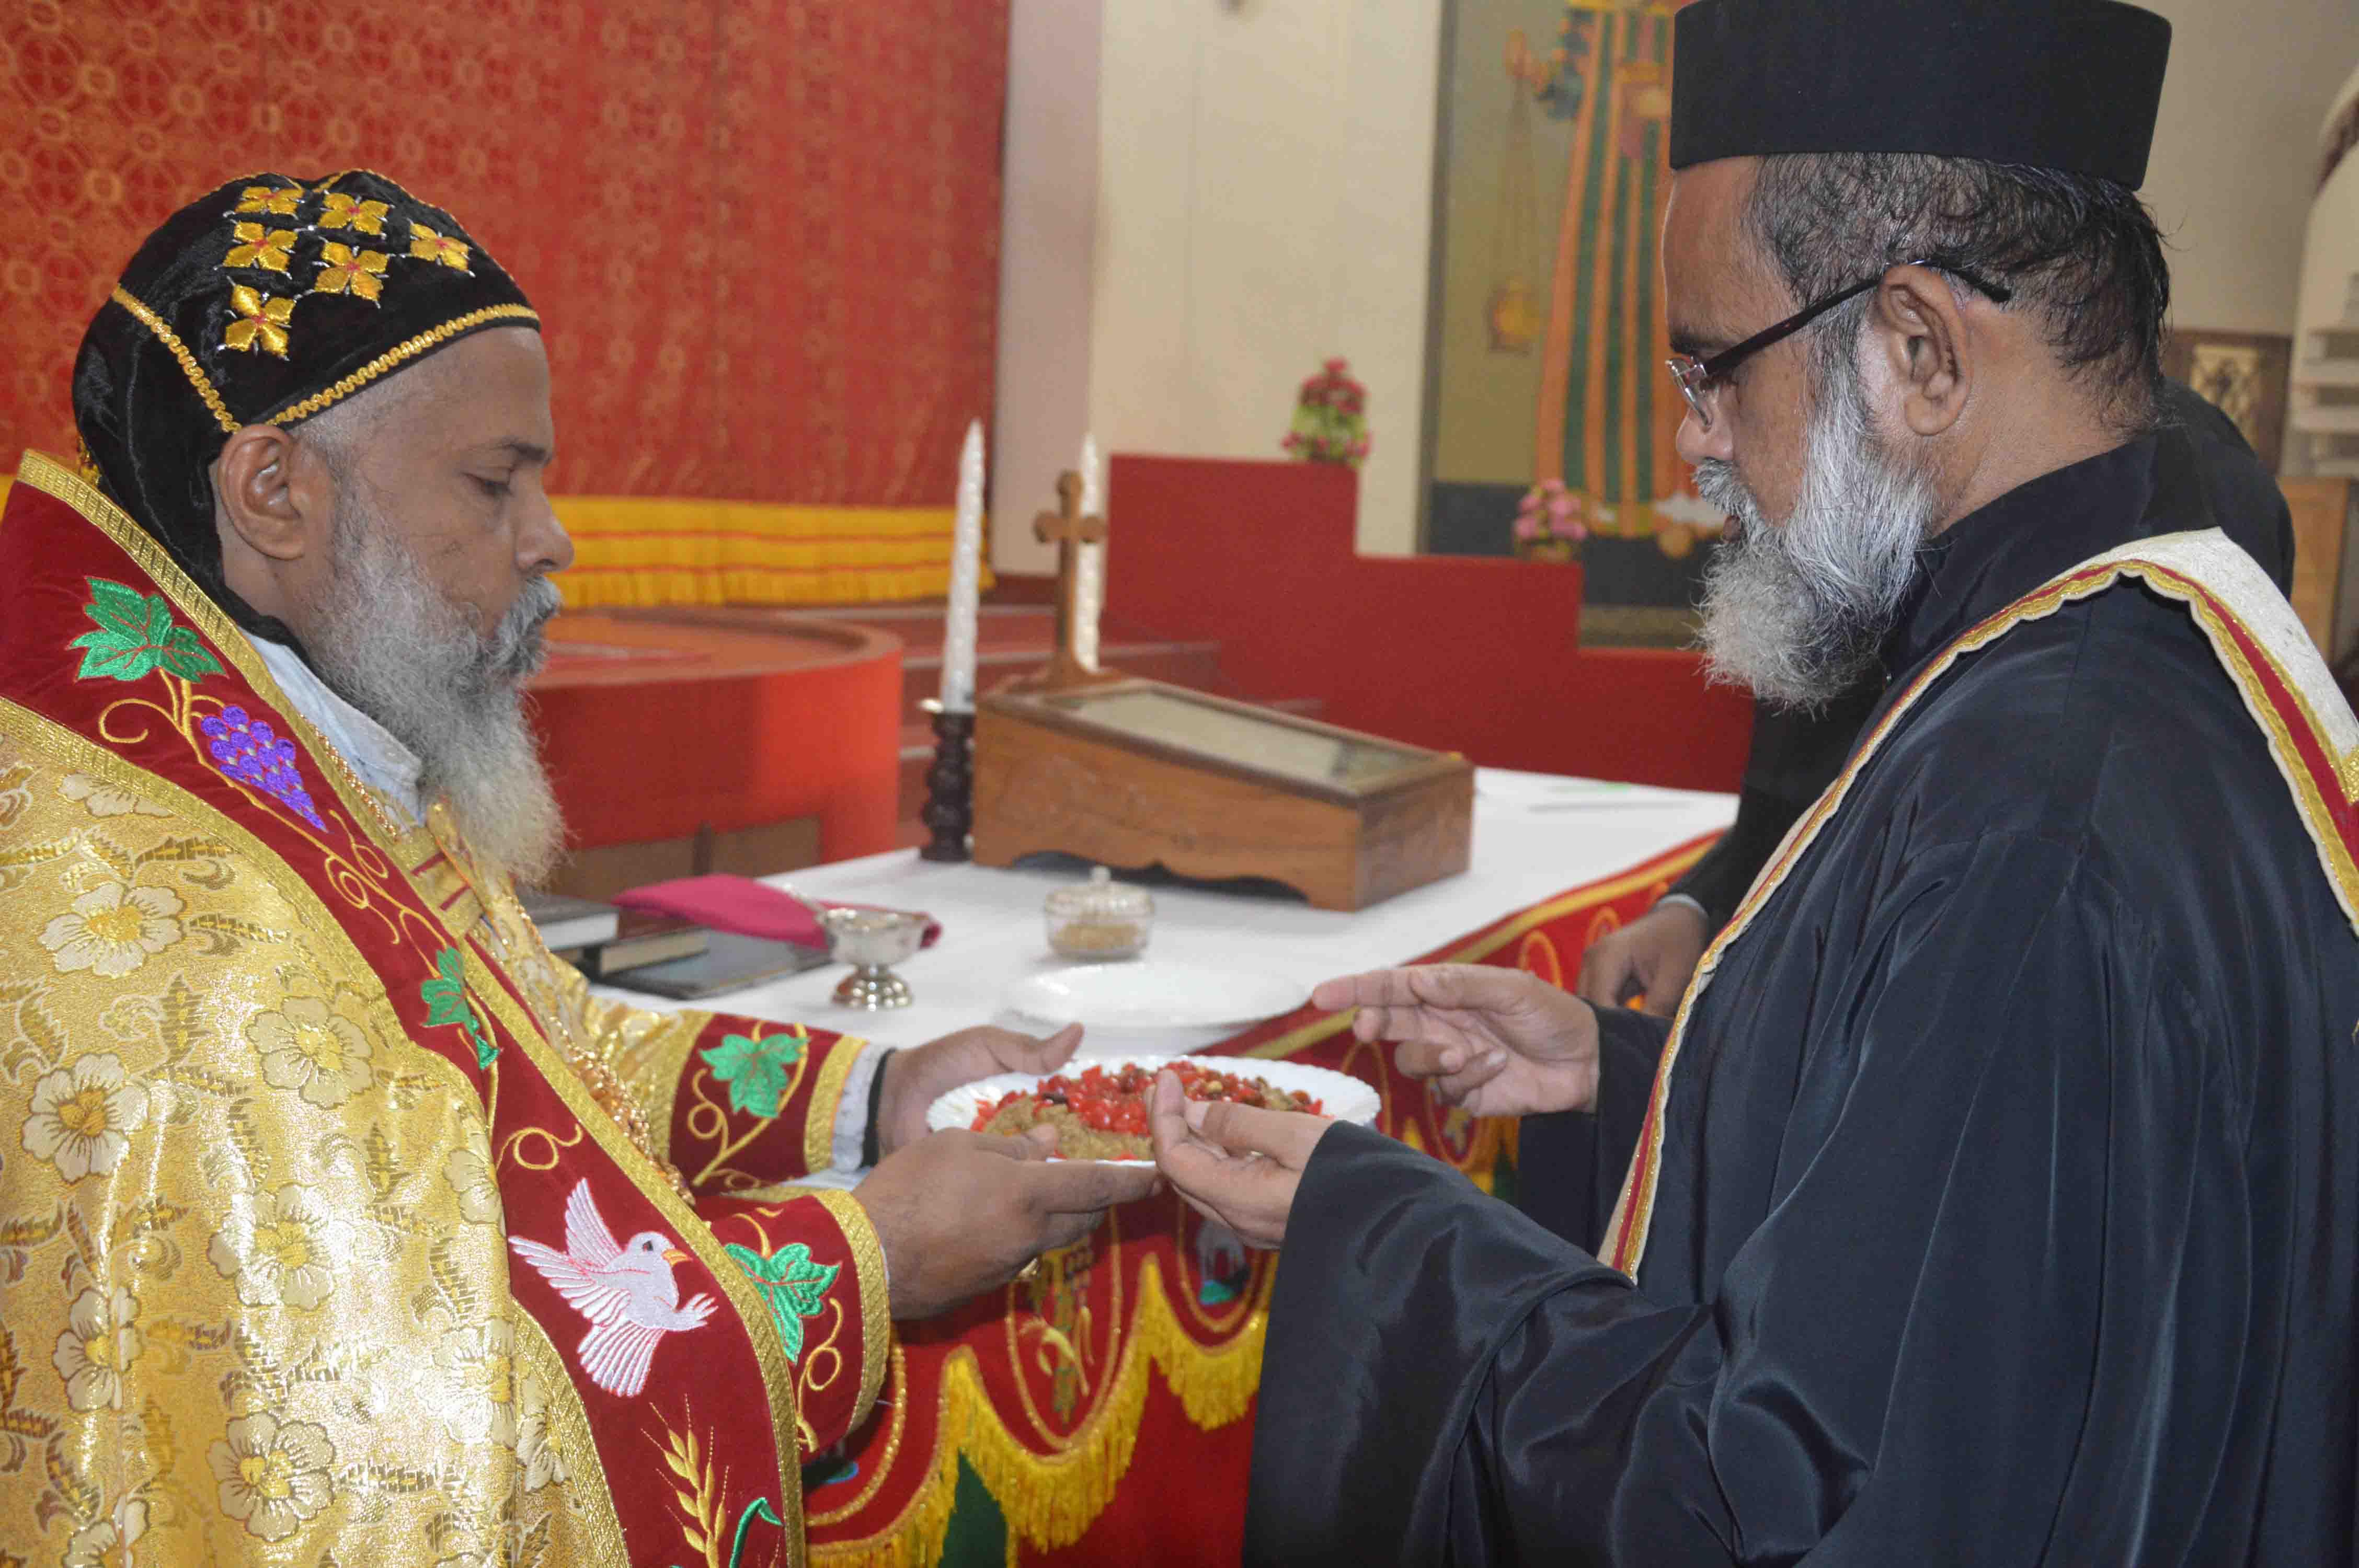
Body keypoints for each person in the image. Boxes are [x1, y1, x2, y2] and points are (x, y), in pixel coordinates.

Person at [1151, 2, 2359, 1561]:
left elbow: (1778, 1499)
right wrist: (1641, 1074)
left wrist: (1378, 1231)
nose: (1693, 438)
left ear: (1921, 349)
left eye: (1715, 367)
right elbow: (2004, 1233)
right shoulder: (2136, 669)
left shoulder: (2035, 806)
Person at [0, 171, 1153, 1565]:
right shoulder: (184, 936)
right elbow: (409, 1467)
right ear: (275, 492)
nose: (551, 538)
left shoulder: (264, 733)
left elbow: (536, 1073)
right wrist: (862, 1261)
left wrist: (874, 1097)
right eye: (496, 482)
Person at [1582, 380, 2299, 1019]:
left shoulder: (2179, 465)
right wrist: (1700, 906)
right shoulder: (1872, 444)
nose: (1695, 438)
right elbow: (1806, 782)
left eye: (1727, 367)